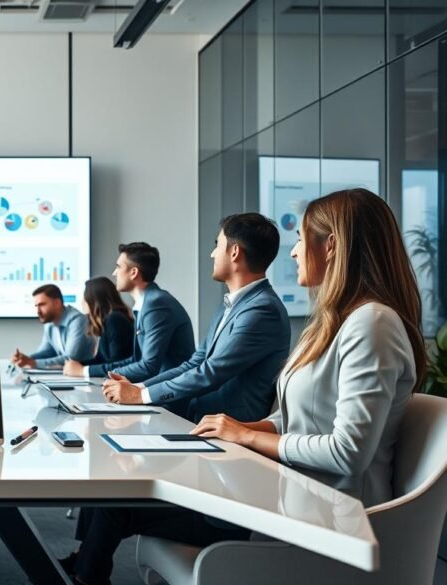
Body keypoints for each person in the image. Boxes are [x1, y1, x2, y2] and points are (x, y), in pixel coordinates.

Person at [67, 189, 425, 585]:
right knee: (119, 500)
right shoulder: (335, 323)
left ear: (333, 245)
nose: (292, 253)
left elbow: (348, 453)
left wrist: (245, 436)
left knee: (118, 505)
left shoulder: (371, 323)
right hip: (288, 491)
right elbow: (295, 416)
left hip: (320, 517)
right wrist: (245, 429)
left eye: (302, 240)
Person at [100, 213, 291, 424]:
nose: (212, 254)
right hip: (200, 420)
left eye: (218, 246)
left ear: (234, 252)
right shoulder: (233, 303)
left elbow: (210, 372)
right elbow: (196, 362)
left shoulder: (262, 310)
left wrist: (139, 396)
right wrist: (139, 388)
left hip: (229, 433)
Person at [65, 242, 194, 381]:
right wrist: (87, 371)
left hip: (167, 396)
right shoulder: (146, 303)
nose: (114, 273)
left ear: (133, 273)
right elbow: (136, 360)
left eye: (118, 267)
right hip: (155, 387)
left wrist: (85, 371)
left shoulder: (155, 304)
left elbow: (148, 366)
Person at [10, 284, 96, 370]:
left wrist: (33, 362)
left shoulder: (77, 321)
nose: (38, 311)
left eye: (42, 305)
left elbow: (71, 358)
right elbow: (47, 352)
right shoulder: (49, 322)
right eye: (36, 306)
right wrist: (25, 359)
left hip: (86, 377)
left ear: (57, 303)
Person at [76, 277, 134, 368]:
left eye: (84, 296)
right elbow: (101, 360)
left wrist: (82, 370)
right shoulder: (107, 321)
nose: (82, 302)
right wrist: (78, 365)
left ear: (95, 298)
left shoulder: (115, 320)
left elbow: (117, 362)